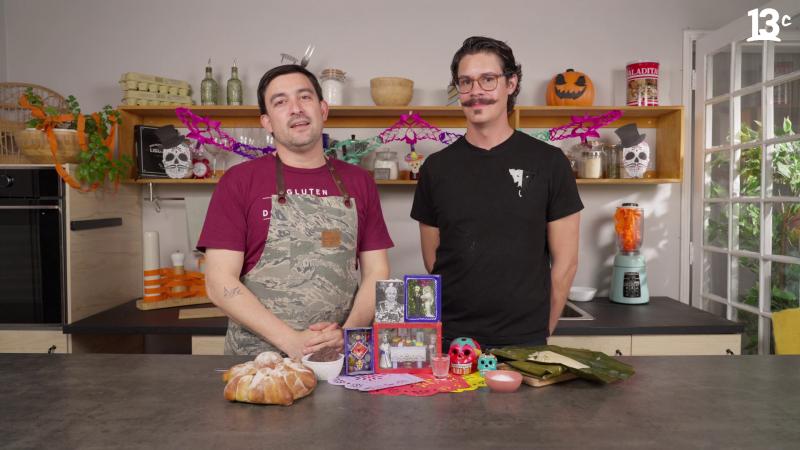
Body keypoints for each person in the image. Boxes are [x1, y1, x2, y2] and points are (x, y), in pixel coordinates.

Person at [199, 64, 393, 357]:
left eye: (305, 97)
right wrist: (291, 341)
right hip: (259, 362)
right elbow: (219, 282)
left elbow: (377, 271)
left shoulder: (359, 181)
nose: (296, 109)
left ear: (323, 109)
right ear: (267, 122)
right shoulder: (239, 181)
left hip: (339, 356)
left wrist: (346, 335)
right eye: (280, 102)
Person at [410, 36, 583, 348]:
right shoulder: (435, 168)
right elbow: (433, 259)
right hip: (452, 341)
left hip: (524, 342)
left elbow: (566, 263)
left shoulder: (549, 163)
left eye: (488, 79)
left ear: (511, 84)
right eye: (465, 82)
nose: (476, 91)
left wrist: (541, 331)